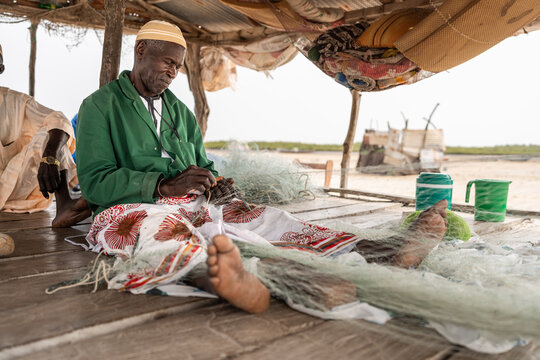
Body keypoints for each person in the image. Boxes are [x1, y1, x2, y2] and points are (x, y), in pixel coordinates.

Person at [76, 21, 447, 314]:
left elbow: (202, 165)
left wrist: (216, 183)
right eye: (167, 62)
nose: (173, 73)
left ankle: (382, 251)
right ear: (141, 50)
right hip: (131, 208)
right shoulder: (100, 106)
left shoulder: (179, 111)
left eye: (178, 66)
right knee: (160, 231)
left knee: (268, 218)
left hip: (194, 204)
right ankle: (251, 279)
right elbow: (94, 183)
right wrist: (164, 186)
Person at [0, 44, 91, 227]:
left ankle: (64, 205)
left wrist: (50, 157)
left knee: (53, 134)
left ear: (1, 67)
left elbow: (58, 119)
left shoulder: (17, 101)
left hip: (11, 189)